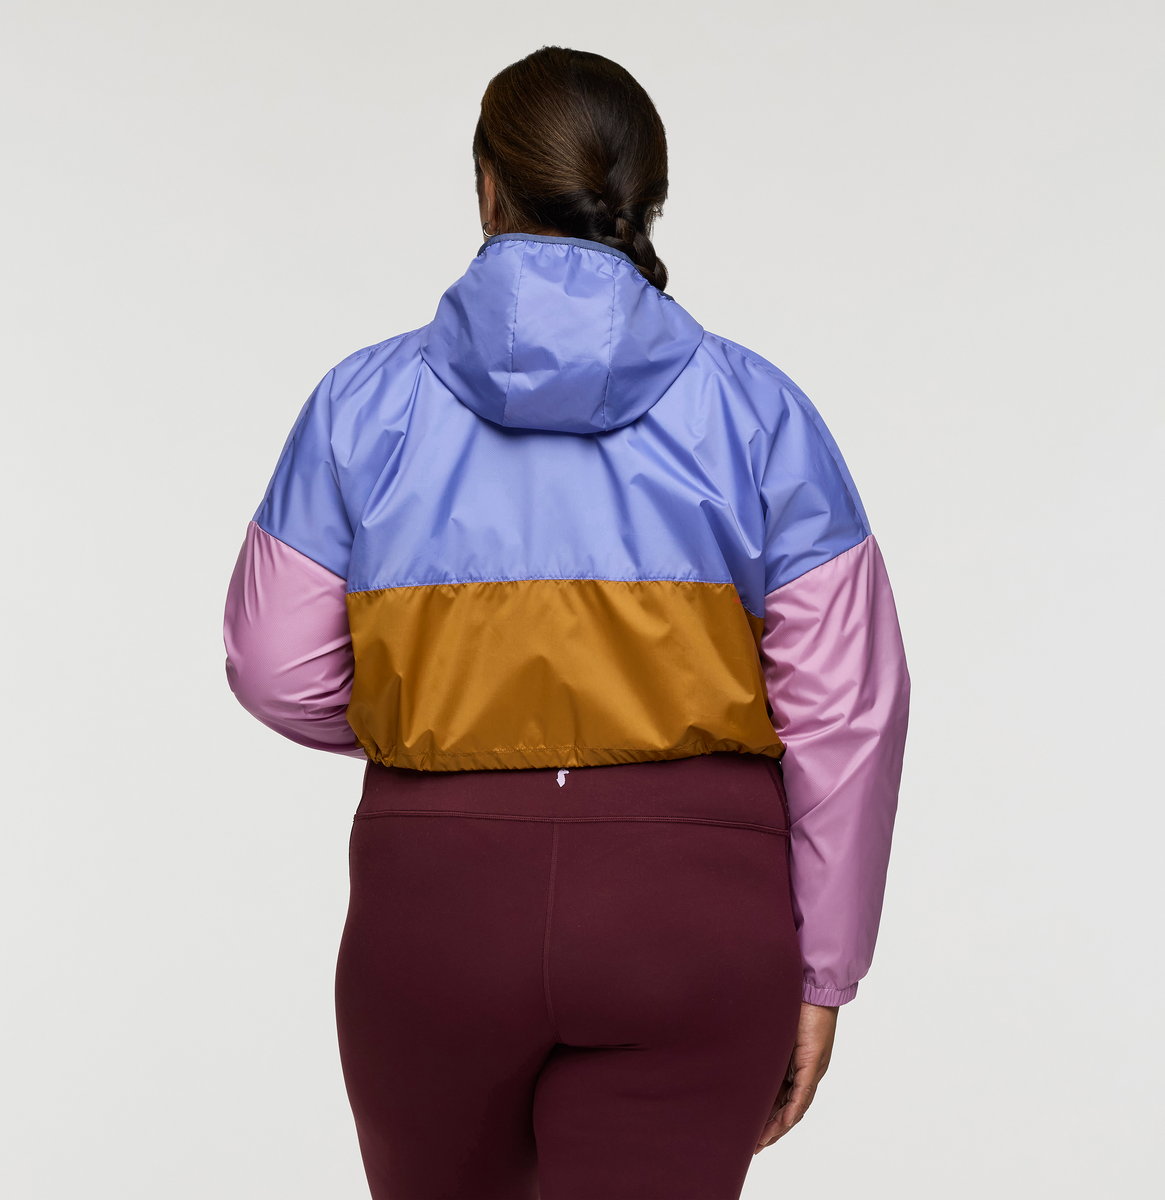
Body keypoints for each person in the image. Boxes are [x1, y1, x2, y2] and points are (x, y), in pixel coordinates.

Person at [224, 45, 909, 1200]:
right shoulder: (759, 411)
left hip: (435, 902)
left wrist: (455, 716)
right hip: (694, 912)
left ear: (487, 186)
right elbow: (846, 714)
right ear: (646, 200)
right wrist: (825, 971)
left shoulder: (361, 405)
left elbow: (273, 666)